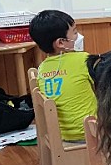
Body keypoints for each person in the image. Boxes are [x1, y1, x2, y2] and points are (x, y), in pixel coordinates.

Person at [29, 10, 95, 143]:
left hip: (59, 135)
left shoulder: (42, 68)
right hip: (90, 132)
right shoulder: (83, 60)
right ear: (60, 43)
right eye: (75, 32)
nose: (78, 36)